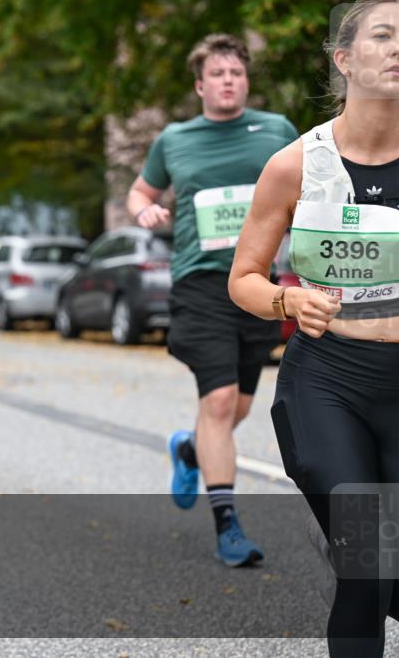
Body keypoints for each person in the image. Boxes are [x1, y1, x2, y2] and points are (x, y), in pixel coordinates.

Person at [229, 0, 398, 654]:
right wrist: (288, 302)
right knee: (369, 564)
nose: (398, 48)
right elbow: (244, 279)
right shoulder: (296, 164)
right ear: (343, 59)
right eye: (383, 35)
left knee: (383, 569)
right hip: (328, 381)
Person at [126, 33, 299, 566]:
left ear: (246, 82)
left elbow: (312, 188)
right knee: (220, 401)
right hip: (200, 284)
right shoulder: (174, 139)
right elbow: (141, 191)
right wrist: (143, 210)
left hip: (258, 284)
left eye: (237, 73)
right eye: (218, 74)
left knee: (238, 406)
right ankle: (228, 525)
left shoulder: (277, 131)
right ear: (200, 85)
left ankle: (189, 448)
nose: (228, 81)